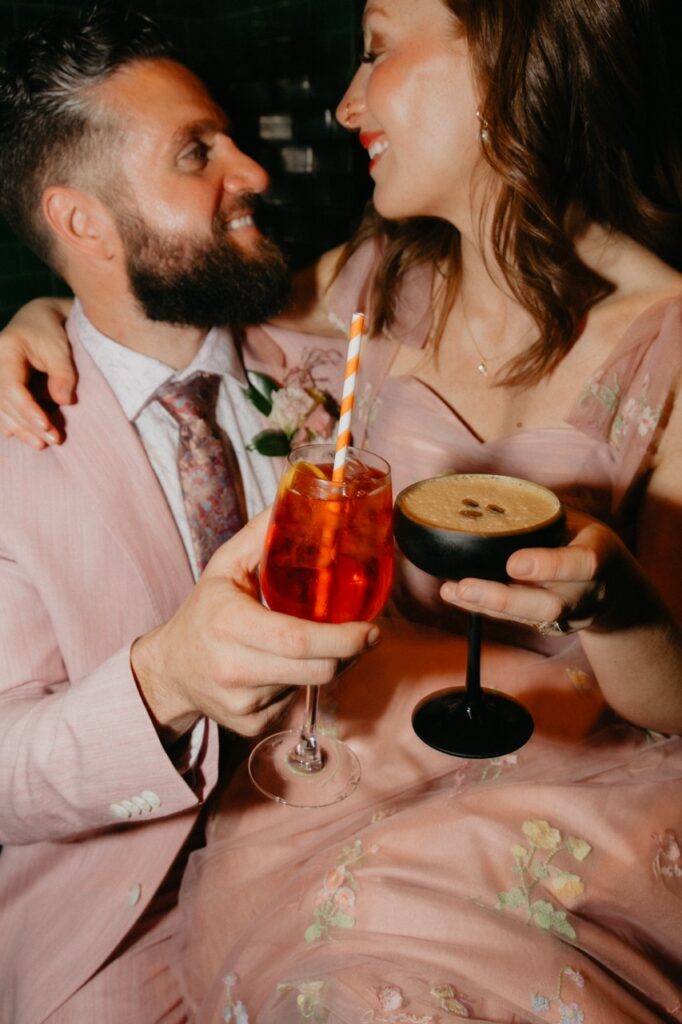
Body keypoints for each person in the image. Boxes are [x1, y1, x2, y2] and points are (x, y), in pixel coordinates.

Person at [2, 0, 682, 1020]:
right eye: (200, 152)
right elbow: (147, 314)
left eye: (376, 49)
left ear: (508, 59)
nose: (345, 100)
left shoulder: (657, 342)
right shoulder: (366, 288)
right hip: (272, 834)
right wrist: (43, 308)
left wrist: (612, 606)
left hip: (546, 814)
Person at [0, 8, 380, 1024]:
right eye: (196, 154)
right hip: (121, 928)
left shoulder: (343, 385)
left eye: (233, 141)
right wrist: (162, 681)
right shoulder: (8, 440)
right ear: (83, 222)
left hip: (366, 869)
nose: (252, 172)